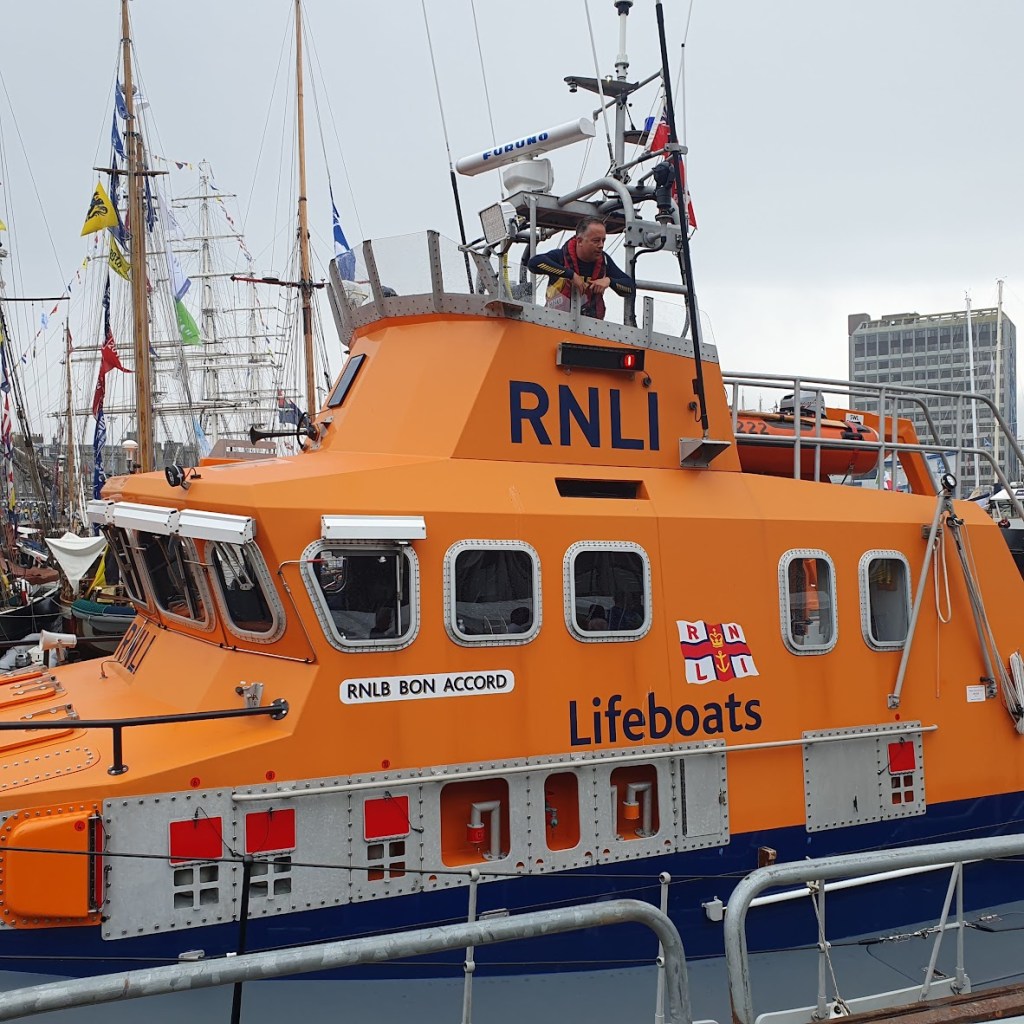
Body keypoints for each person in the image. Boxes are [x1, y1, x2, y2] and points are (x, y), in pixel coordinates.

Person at [527, 217, 635, 320]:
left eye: (603, 240)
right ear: (579, 241)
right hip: (554, 322)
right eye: (596, 241)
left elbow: (630, 287)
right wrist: (570, 275)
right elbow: (534, 263)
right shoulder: (560, 257)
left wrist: (609, 281)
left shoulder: (605, 262)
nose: (601, 245)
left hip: (591, 328)